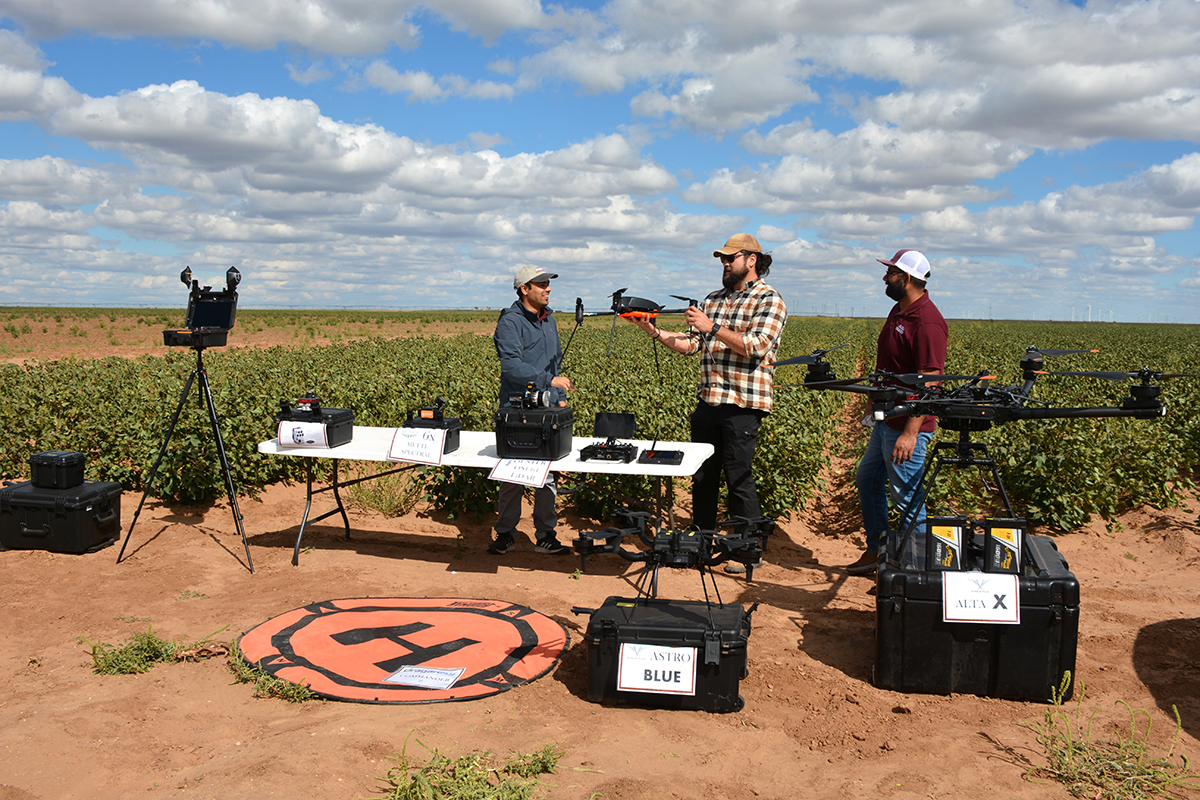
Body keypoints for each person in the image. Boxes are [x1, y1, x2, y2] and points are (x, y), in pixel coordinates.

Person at [627, 233, 787, 561]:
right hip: (708, 400)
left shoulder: (769, 300)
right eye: (722, 259)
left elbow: (755, 346)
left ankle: (746, 552)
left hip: (743, 404)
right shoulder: (712, 299)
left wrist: (711, 327)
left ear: (751, 260)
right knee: (703, 475)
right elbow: (690, 344)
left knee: (738, 476)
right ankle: (701, 542)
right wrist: (653, 330)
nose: (725, 264)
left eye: (731, 258)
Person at [848, 248, 948, 576]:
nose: (884, 278)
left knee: (907, 498)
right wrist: (872, 402)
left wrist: (910, 431)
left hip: (906, 427)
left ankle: (914, 573)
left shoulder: (928, 322)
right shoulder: (898, 310)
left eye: (890, 273)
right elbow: (886, 365)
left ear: (906, 279)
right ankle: (877, 550)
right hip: (887, 421)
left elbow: (930, 382)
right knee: (868, 479)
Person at [488, 265, 575, 555]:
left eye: (548, 283)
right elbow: (511, 366)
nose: (547, 288)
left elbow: (555, 363)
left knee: (547, 472)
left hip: (547, 407)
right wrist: (547, 381)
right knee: (512, 474)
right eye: (541, 284)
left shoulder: (548, 320)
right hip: (517, 407)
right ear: (524, 289)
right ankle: (505, 534)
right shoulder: (510, 322)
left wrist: (557, 395)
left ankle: (546, 535)